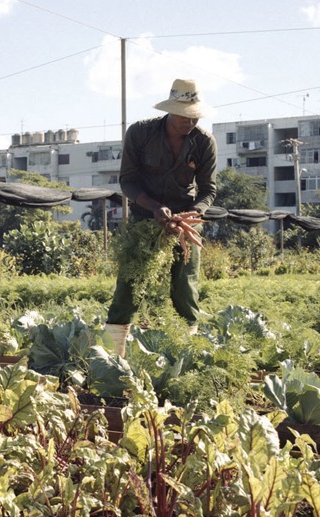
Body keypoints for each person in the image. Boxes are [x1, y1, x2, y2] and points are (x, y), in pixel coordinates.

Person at [104, 78, 217, 355]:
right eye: (184, 116)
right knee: (129, 286)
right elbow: (128, 181)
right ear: (170, 111)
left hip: (185, 223)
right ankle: (112, 354)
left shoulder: (204, 142)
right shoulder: (141, 133)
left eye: (194, 116)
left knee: (185, 288)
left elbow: (208, 190)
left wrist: (192, 214)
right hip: (145, 218)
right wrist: (154, 207)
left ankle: (186, 352)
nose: (189, 122)